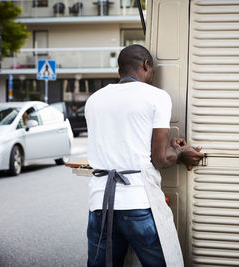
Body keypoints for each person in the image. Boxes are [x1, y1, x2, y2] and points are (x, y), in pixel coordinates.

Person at [85, 44, 204, 267]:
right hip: (136, 202)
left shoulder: (94, 99)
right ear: (146, 65)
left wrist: (169, 147)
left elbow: (120, 141)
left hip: (99, 204)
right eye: (153, 72)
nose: (152, 78)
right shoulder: (156, 96)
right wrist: (179, 152)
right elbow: (159, 159)